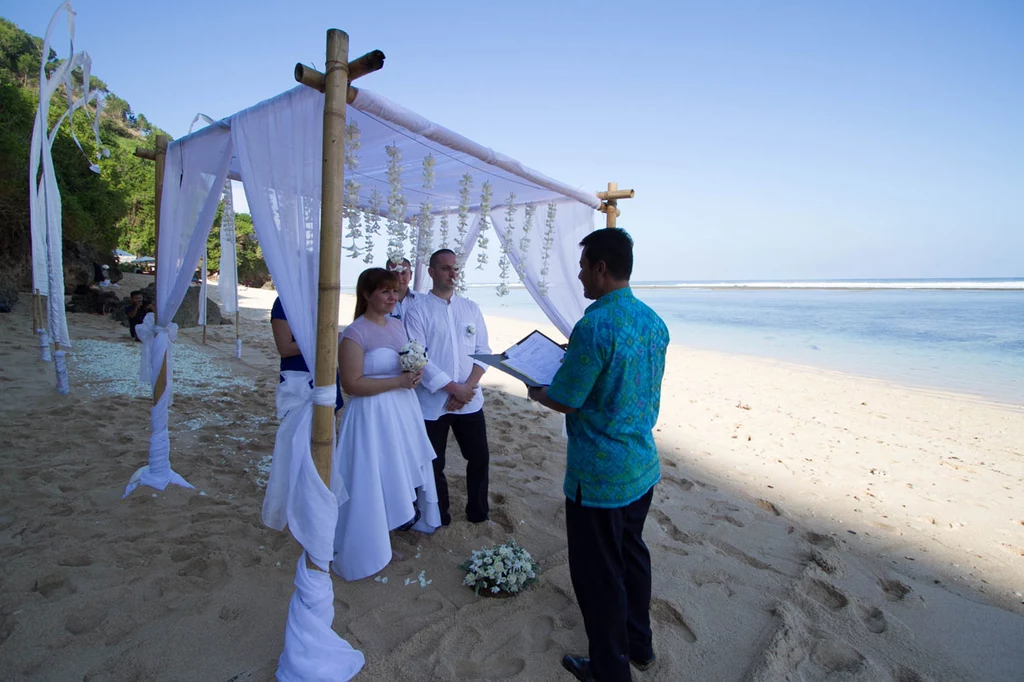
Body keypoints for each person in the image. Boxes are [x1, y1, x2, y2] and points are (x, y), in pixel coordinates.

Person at [527, 228, 669, 682]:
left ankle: (610, 672)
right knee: (631, 557)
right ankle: (640, 646)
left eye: (584, 266)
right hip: (641, 465)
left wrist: (534, 389)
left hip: (600, 477)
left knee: (598, 577)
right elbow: (624, 381)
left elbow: (567, 398)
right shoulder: (653, 320)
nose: (581, 275)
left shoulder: (595, 324)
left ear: (602, 269)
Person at [332, 268, 441, 580]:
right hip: (370, 416)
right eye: (385, 292)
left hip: (402, 413)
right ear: (367, 294)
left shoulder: (398, 326)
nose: (393, 297)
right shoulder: (354, 333)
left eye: (395, 291)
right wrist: (399, 381)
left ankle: (389, 535)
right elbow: (351, 385)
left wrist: (415, 376)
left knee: (393, 475)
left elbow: (408, 361)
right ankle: (367, 547)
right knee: (370, 480)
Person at [405, 249, 492, 526]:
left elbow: (483, 351)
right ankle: (439, 515)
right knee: (434, 462)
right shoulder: (417, 310)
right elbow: (419, 357)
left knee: (479, 457)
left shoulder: (471, 308)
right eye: (445, 268)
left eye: (455, 268)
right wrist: (452, 388)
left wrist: (467, 388)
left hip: (470, 399)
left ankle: (478, 513)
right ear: (431, 272)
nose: (452, 273)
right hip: (432, 402)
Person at [270, 296, 344, 413]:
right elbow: (285, 348)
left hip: (327, 370)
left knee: (330, 419)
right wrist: (327, 340)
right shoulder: (285, 301)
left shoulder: (324, 298)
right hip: (299, 376)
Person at [385, 257, 418, 330]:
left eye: (403, 273)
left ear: (411, 275)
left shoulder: (423, 300)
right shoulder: (379, 302)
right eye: (395, 273)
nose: (399, 278)